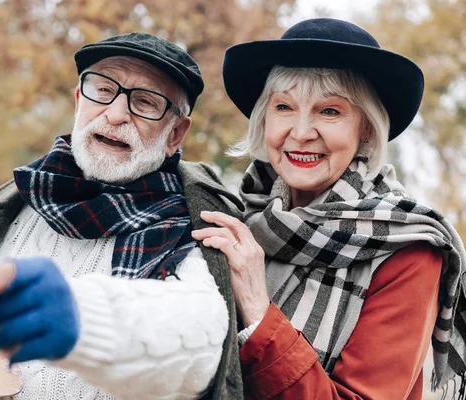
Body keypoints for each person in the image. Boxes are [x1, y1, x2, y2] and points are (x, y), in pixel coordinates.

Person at [0, 33, 244, 400]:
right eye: (103, 90)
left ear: (175, 134)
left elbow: (200, 347)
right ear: (78, 101)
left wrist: (80, 316)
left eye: (146, 102)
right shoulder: (11, 207)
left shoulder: (194, 228)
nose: (116, 114)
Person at [192, 18, 466, 399]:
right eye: (284, 106)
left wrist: (257, 311)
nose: (301, 132)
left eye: (330, 111)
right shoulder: (236, 216)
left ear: (366, 129)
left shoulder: (409, 251)